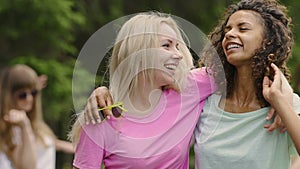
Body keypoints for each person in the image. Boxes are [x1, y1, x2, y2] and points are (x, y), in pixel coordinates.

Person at [69, 12, 216, 169]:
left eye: (177, 46)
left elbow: (236, 68)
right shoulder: (102, 116)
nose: (179, 55)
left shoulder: (189, 89)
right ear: (138, 52)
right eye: (166, 45)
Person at [194, 0, 300, 168]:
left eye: (243, 28)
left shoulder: (287, 104)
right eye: (227, 30)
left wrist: (279, 101)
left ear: (268, 41)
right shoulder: (205, 103)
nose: (229, 34)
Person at [0, 64, 74, 169]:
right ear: (9, 95)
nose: (29, 98)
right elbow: (28, 167)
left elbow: (44, 142)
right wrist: (25, 126)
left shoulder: (34, 123)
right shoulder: (12, 128)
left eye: (33, 93)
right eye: (22, 95)